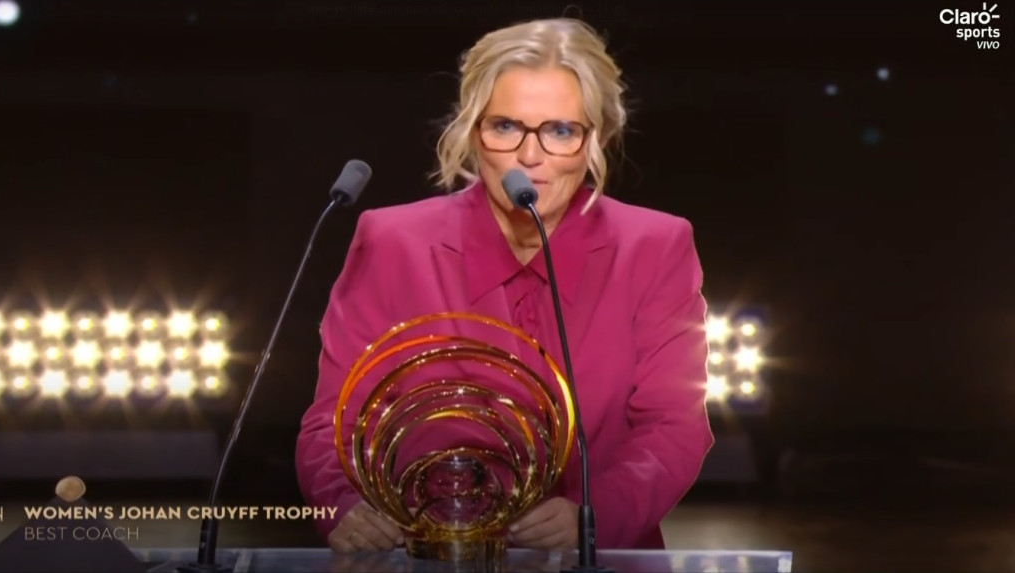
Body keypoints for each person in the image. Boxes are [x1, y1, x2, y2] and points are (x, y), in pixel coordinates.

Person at [295, 17, 713, 553]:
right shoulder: (391, 241)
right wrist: (345, 509)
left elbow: (674, 427)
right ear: (473, 132)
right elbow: (334, 422)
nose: (529, 156)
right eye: (506, 126)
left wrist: (595, 517)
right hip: (428, 556)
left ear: (597, 138)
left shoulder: (655, 246)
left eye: (560, 131)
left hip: (598, 559)